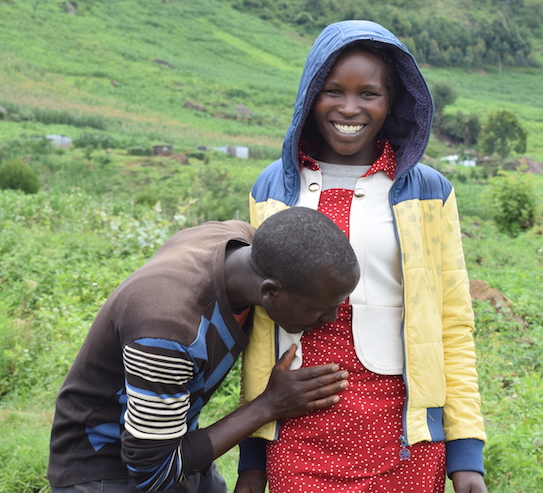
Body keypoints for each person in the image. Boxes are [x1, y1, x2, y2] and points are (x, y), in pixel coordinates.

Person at [236, 20, 487, 493]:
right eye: (333, 91)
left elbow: (452, 322)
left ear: (392, 101)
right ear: (311, 96)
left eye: (368, 93)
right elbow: (259, 323)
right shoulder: (273, 187)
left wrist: (466, 452)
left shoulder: (429, 192)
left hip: (403, 431)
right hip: (298, 423)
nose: (349, 108)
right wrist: (253, 454)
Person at [47, 207, 360, 493]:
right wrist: (268, 405)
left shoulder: (236, 240)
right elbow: (152, 472)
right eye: (320, 310)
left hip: (176, 442)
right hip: (103, 472)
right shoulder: (167, 331)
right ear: (269, 292)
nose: (331, 319)